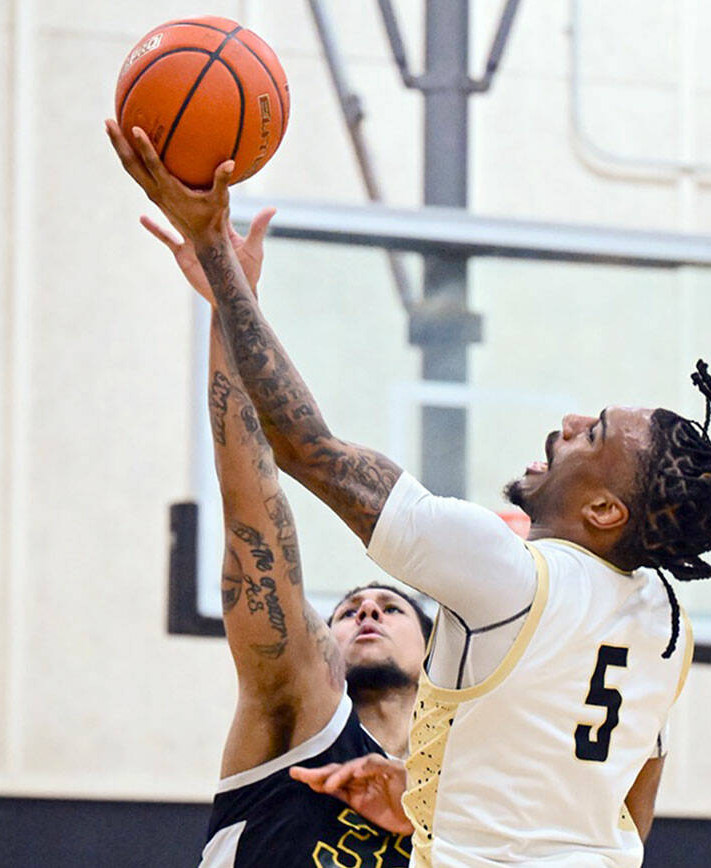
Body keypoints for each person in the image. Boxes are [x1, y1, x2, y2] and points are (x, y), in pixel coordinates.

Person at [107, 120, 711, 867]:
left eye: (593, 433)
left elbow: (307, 448)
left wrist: (217, 253)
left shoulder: (507, 575)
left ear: (605, 511)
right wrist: (430, 794)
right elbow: (633, 808)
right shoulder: (667, 625)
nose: (571, 422)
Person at [150, 206, 431, 866]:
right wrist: (230, 296)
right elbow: (253, 512)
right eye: (347, 610)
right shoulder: (303, 718)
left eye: (391, 607)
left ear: (434, 651)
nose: (366, 611)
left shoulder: (462, 801)